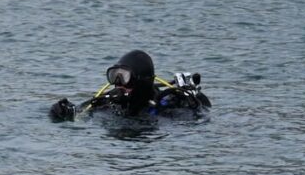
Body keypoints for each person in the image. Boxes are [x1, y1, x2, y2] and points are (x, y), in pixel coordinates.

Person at [49, 50, 210, 122]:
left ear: (140, 81)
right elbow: (80, 112)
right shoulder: (111, 101)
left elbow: (195, 116)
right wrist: (62, 111)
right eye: (114, 75)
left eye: (125, 77)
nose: (119, 83)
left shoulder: (165, 108)